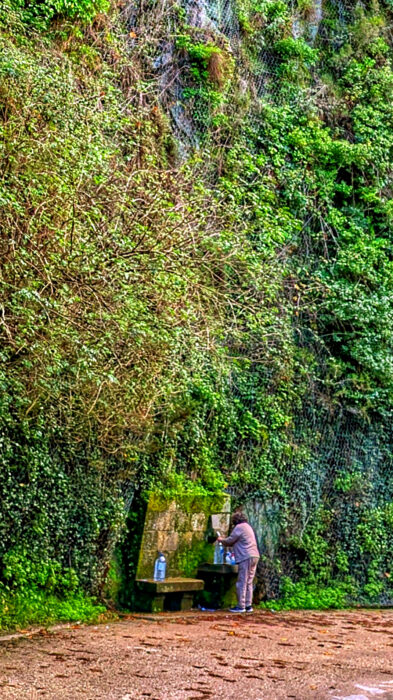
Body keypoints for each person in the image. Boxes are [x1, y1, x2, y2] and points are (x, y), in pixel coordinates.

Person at [217, 512, 260, 613]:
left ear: (235, 521)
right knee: (249, 581)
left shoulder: (239, 527)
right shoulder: (248, 527)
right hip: (255, 555)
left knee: (242, 581)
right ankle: (248, 605)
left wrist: (221, 540)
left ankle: (241, 606)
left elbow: (230, 541)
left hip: (245, 556)